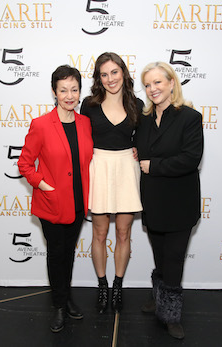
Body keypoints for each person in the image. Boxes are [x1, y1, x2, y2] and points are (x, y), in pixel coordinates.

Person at [18, 65, 93, 332]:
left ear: (80, 92)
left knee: (68, 254)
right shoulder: (41, 125)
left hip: (77, 202)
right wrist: (43, 185)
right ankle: (59, 306)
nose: (70, 95)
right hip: (51, 203)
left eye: (74, 89)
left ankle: (67, 296)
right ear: (54, 92)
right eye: (64, 90)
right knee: (56, 254)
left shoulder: (85, 123)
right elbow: (24, 164)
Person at [135, 61, 203, 339]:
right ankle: (159, 297)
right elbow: (139, 150)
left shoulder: (189, 117)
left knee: (174, 258)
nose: (152, 89)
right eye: (148, 84)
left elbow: (190, 159)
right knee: (160, 256)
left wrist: (154, 166)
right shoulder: (144, 119)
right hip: (153, 200)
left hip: (179, 202)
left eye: (158, 83)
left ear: (172, 83)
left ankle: (171, 313)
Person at [80, 52, 144, 314]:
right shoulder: (89, 104)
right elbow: (80, 138)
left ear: (123, 73)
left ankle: (118, 284)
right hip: (99, 167)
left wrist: (141, 149)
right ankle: (102, 285)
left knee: (123, 233)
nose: (110, 79)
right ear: (99, 78)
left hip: (127, 169)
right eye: (104, 74)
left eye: (114, 72)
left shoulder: (138, 105)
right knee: (99, 232)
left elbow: (146, 137)